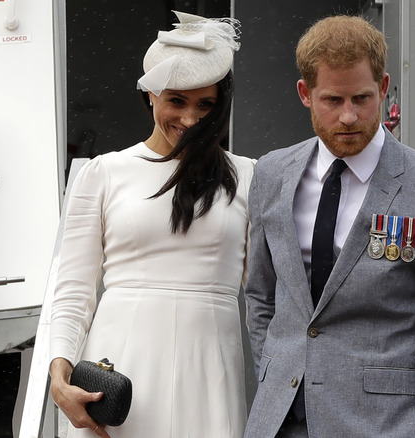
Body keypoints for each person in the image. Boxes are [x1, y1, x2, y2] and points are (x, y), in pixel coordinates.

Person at [244, 15, 415, 437]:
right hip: (278, 420)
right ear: (305, 94)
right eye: (332, 100)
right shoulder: (272, 173)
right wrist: (277, 369)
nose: (348, 117)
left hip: (386, 425)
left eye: (361, 98)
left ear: (384, 87)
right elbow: (261, 296)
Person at [48, 11, 252, 438]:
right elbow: (73, 288)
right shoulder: (104, 172)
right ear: (151, 96)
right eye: (176, 101)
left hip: (211, 366)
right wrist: (59, 374)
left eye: (206, 104)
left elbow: (265, 295)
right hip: (120, 363)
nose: (191, 119)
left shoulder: (251, 175)